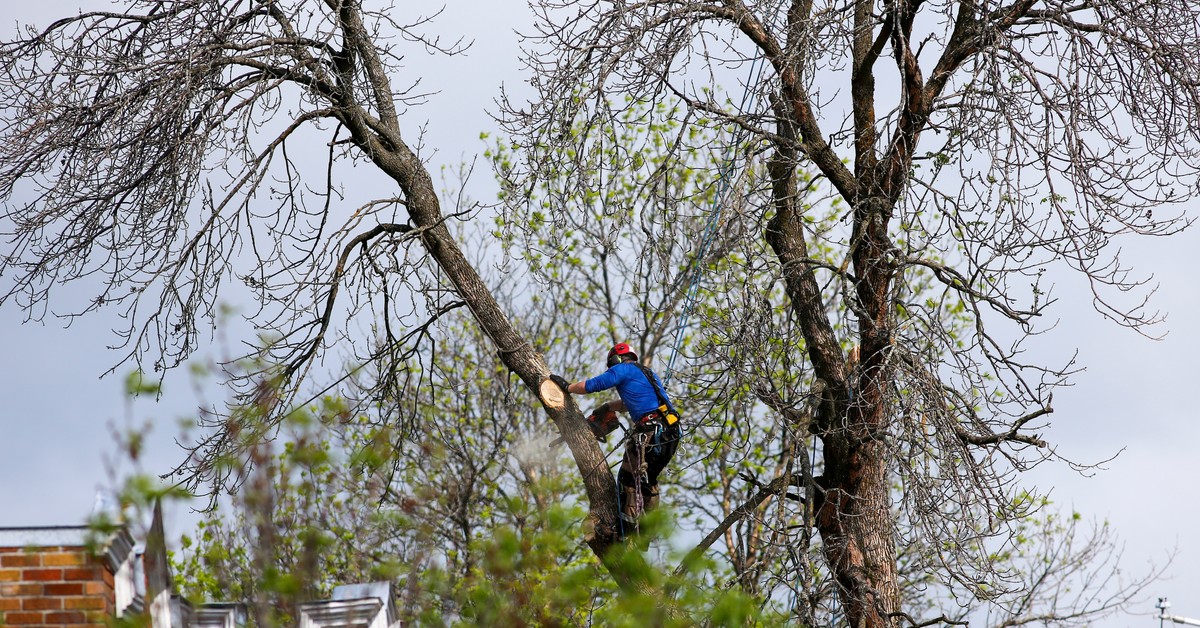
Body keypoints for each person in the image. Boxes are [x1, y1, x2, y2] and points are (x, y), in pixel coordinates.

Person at [561, 343, 682, 534]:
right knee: (647, 480)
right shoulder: (646, 373)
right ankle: (645, 532)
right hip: (670, 432)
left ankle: (624, 530)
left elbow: (593, 385)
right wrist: (609, 407)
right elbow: (631, 402)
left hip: (651, 431)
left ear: (616, 359)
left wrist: (568, 387)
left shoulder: (622, 369)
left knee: (628, 479)